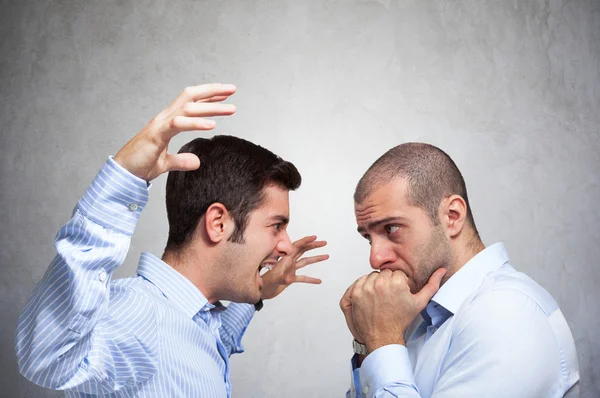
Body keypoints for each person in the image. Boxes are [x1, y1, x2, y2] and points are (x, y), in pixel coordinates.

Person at [15, 83, 329, 397]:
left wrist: (258, 292)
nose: (287, 244)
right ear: (218, 223)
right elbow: (50, 359)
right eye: (276, 226)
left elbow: (202, 344)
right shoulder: (135, 316)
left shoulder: (194, 316)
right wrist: (123, 179)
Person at [340, 142, 579, 397]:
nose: (375, 259)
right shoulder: (415, 319)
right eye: (368, 237)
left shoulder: (507, 313)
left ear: (452, 216)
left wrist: (383, 340)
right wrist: (368, 343)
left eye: (391, 229)